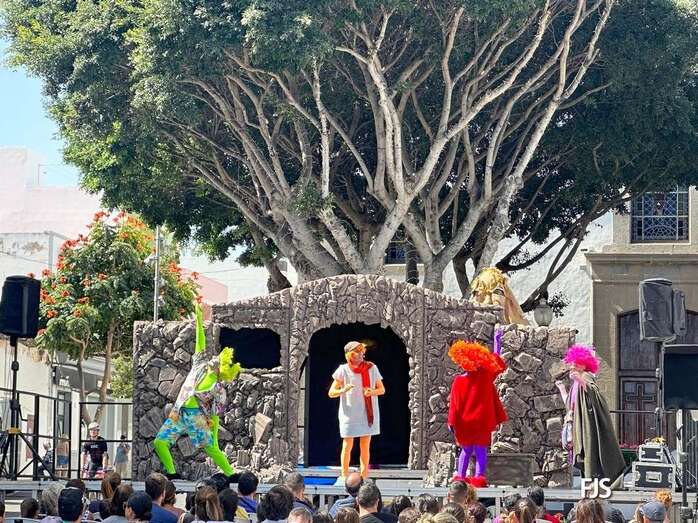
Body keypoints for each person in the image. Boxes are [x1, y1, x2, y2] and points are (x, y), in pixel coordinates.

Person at [154, 304, 241, 480]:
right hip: (179, 412)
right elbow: (200, 340)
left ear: (222, 368)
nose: (214, 358)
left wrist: (214, 437)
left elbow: (216, 414)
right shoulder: (200, 364)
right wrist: (199, 319)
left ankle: (231, 474)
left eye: (218, 360)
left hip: (196, 417)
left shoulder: (218, 388)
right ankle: (172, 473)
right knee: (159, 442)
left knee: (211, 448)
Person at [555, 345, 625, 482]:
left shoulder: (585, 376)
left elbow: (595, 394)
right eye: (572, 364)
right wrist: (562, 389)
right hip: (578, 424)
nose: (572, 367)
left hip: (588, 426)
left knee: (590, 451)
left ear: (583, 365)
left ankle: (595, 480)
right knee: (585, 453)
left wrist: (580, 380)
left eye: (576, 364)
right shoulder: (575, 383)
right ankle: (590, 482)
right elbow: (570, 404)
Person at [448, 337, 507, 487]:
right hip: (482, 422)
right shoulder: (485, 376)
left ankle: (460, 477)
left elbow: (454, 405)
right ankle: (479, 478)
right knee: (481, 450)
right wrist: (497, 344)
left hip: (464, 423)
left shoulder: (458, 381)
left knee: (466, 450)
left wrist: (451, 422)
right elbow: (498, 365)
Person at [328, 341, 385, 479]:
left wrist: (371, 392)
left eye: (362, 351)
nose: (362, 354)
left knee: (365, 446)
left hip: (367, 413)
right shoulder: (343, 370)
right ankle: (344, 475)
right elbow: (331, 392)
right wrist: (343, 390)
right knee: (347, 445)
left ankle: (364, 476)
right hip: (349, 413)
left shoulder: (372, 368)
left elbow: (382, 389)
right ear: (350, 355)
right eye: (358, 352)